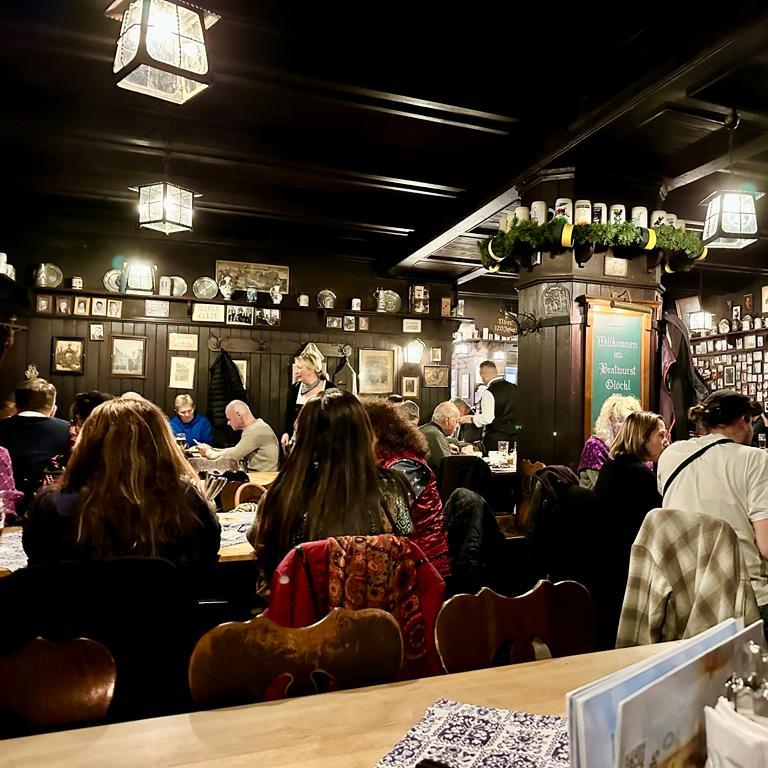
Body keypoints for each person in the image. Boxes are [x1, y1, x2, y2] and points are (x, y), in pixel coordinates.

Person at [23, 398, 220, 577]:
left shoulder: (53, 504)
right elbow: (206, 561)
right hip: (164, 604)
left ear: (89, 443)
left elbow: (38, 565)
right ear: (162, 444)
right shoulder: (187, 500)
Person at [249, 389, 413, 580]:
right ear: (364, 435)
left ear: (303, 438)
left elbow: (259, 543)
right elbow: (404, 543)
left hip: (300, 596)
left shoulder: (283, 493)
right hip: (377, 596)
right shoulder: (392, 486)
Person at [657, 390, 768, 625]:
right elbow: (766, 546)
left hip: (683, 597)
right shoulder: (755, 459)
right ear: (744, 420)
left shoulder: (670, 455)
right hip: (743, 600)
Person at [592, 411, 668, 647]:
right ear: (643, 438)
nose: (666, 440)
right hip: (625, 564)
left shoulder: (611, 468)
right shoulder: (640, 475)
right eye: (660, 435)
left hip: (604, 561)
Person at [363, 398, 450, 578]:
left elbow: (387, 519)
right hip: (399, 558)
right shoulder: (381, 461)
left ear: (376, 434)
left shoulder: (408, 465)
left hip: (425, 565)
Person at [0, 378, 69, 511]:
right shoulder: (68, 430)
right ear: (53, 407)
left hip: (4, 507)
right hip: (52, 507)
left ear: (16, 405)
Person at [577, 394, 643, 489]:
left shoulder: (633, 447)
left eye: (633, 422)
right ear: (610, 422)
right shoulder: (595, 445)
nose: (630, 427)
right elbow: (604, 487)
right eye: (623, 421)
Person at [197, 400, 279, 471]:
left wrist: (209, 453)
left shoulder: (256, 430)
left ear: (238, 415)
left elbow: (233, 456)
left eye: (229, 419)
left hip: (262, 478)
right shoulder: (256, 427)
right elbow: (236, 450)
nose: (228, 423)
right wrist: (212, 449)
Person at [457, 361, 519, 451]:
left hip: (495, 440)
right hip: (515, 437)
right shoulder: (515, 388)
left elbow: (487, 418)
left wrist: (470, 419)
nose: (482, 378)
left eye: (481, 375)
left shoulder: (489, 392)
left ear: (483, 374)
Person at [281, 351, 335, 449]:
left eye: (299, 368)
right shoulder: (294, 389)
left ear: (312, 369)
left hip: (322, 442)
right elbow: (289, 415)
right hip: (298, 440)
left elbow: (334, 418)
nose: (296, 371)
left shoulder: (329, 388)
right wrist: (286, 433)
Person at [419, 401, 461, 474]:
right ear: (447, 420)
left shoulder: (426, 429)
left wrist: (446, 447)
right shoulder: (435, 434)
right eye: (456, 421)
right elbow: (448, 467)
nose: (458, 426)